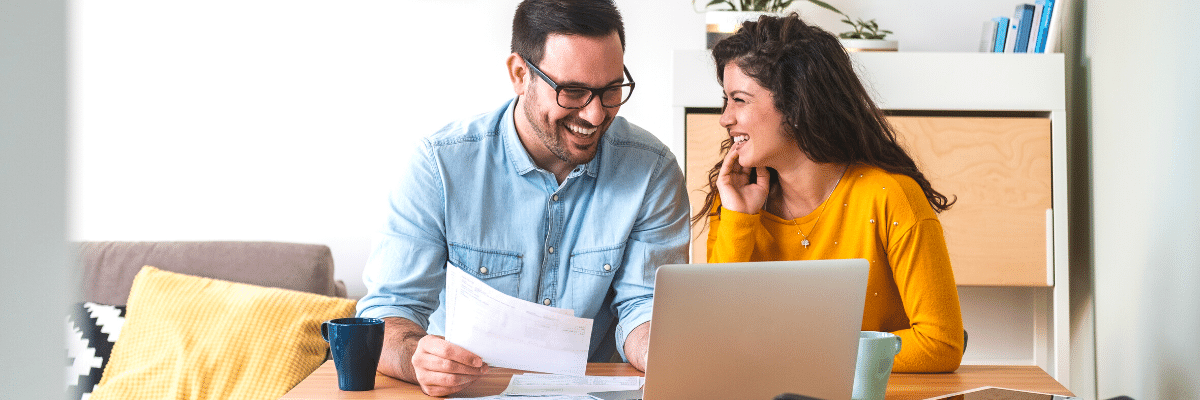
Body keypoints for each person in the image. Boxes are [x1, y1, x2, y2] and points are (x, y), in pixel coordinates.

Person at [355, 0, 689, 396]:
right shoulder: (439, 166)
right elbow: (387, 315)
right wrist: (418, 358)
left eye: (611, 90)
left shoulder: (652, 169)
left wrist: (664, 352)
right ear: (519, 74)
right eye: (573, 91)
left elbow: (644, 307)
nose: (596, 115)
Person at [697, 13, 965, 373]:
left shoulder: (890, 196)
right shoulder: (735, 202)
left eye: (739, 100)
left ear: (794, 105)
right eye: (725, 100)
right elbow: (714, 339)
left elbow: (941, 343)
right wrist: (739, 220)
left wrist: (810, 356)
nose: (724, 118)